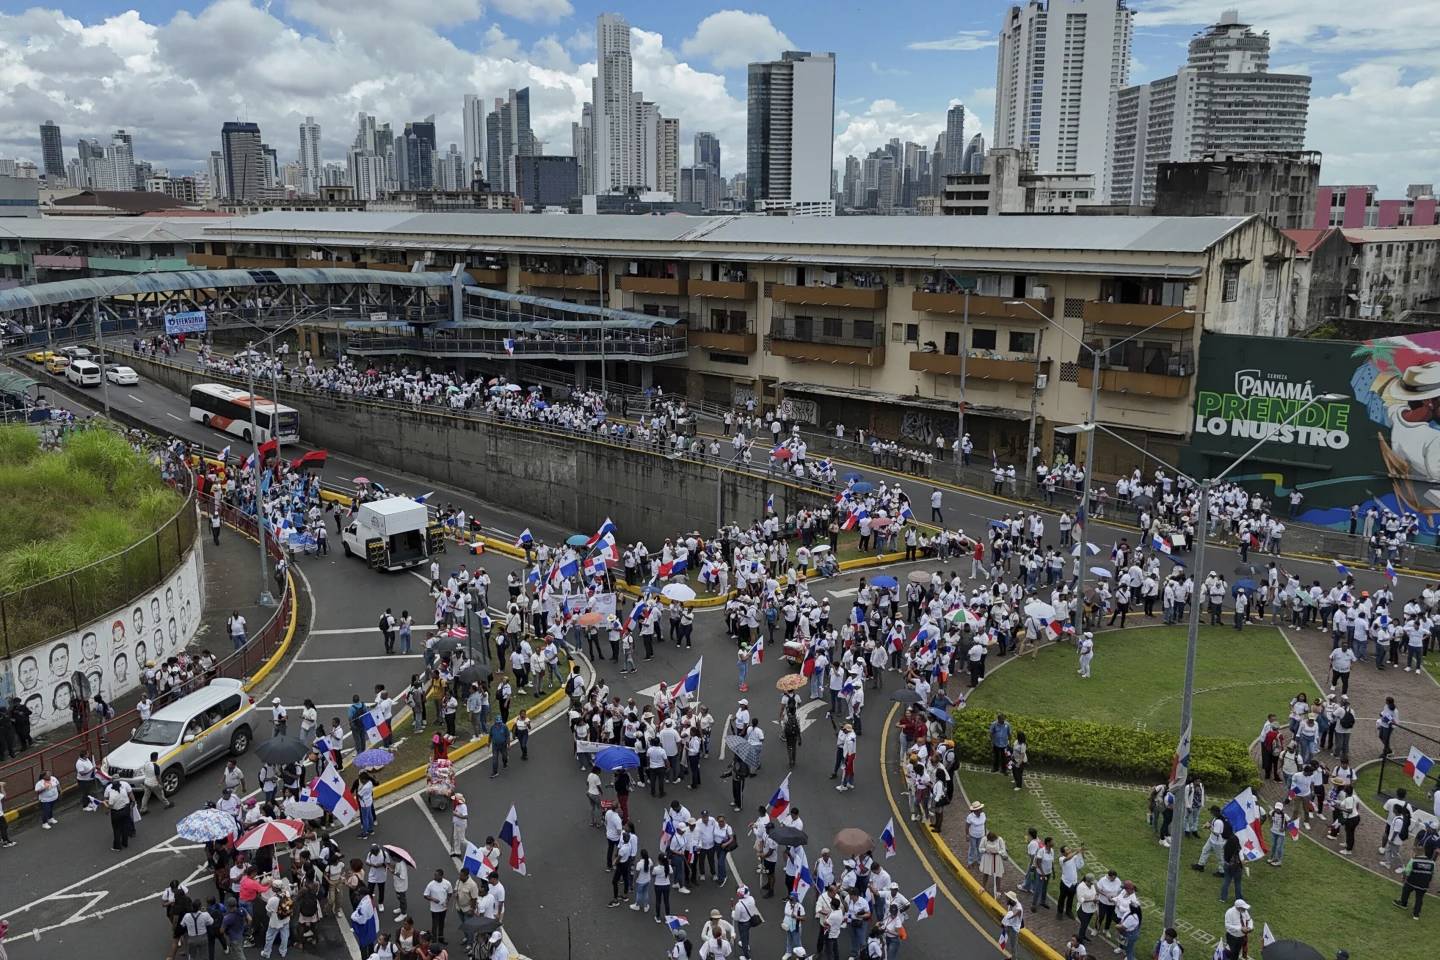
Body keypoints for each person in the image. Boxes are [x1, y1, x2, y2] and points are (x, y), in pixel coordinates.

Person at [1396, 849, 1435, 918]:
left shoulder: (1413, 860)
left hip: (1412, 882)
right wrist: (1429, 882)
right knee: (1419, 898)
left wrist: (1404, 878)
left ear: (1417, 853)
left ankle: (1403, 903)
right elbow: (1431, 873)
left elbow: (1407, 872)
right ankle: (1416, 914)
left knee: (1406, 890)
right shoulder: (1432, 863)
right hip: (1424, 884)